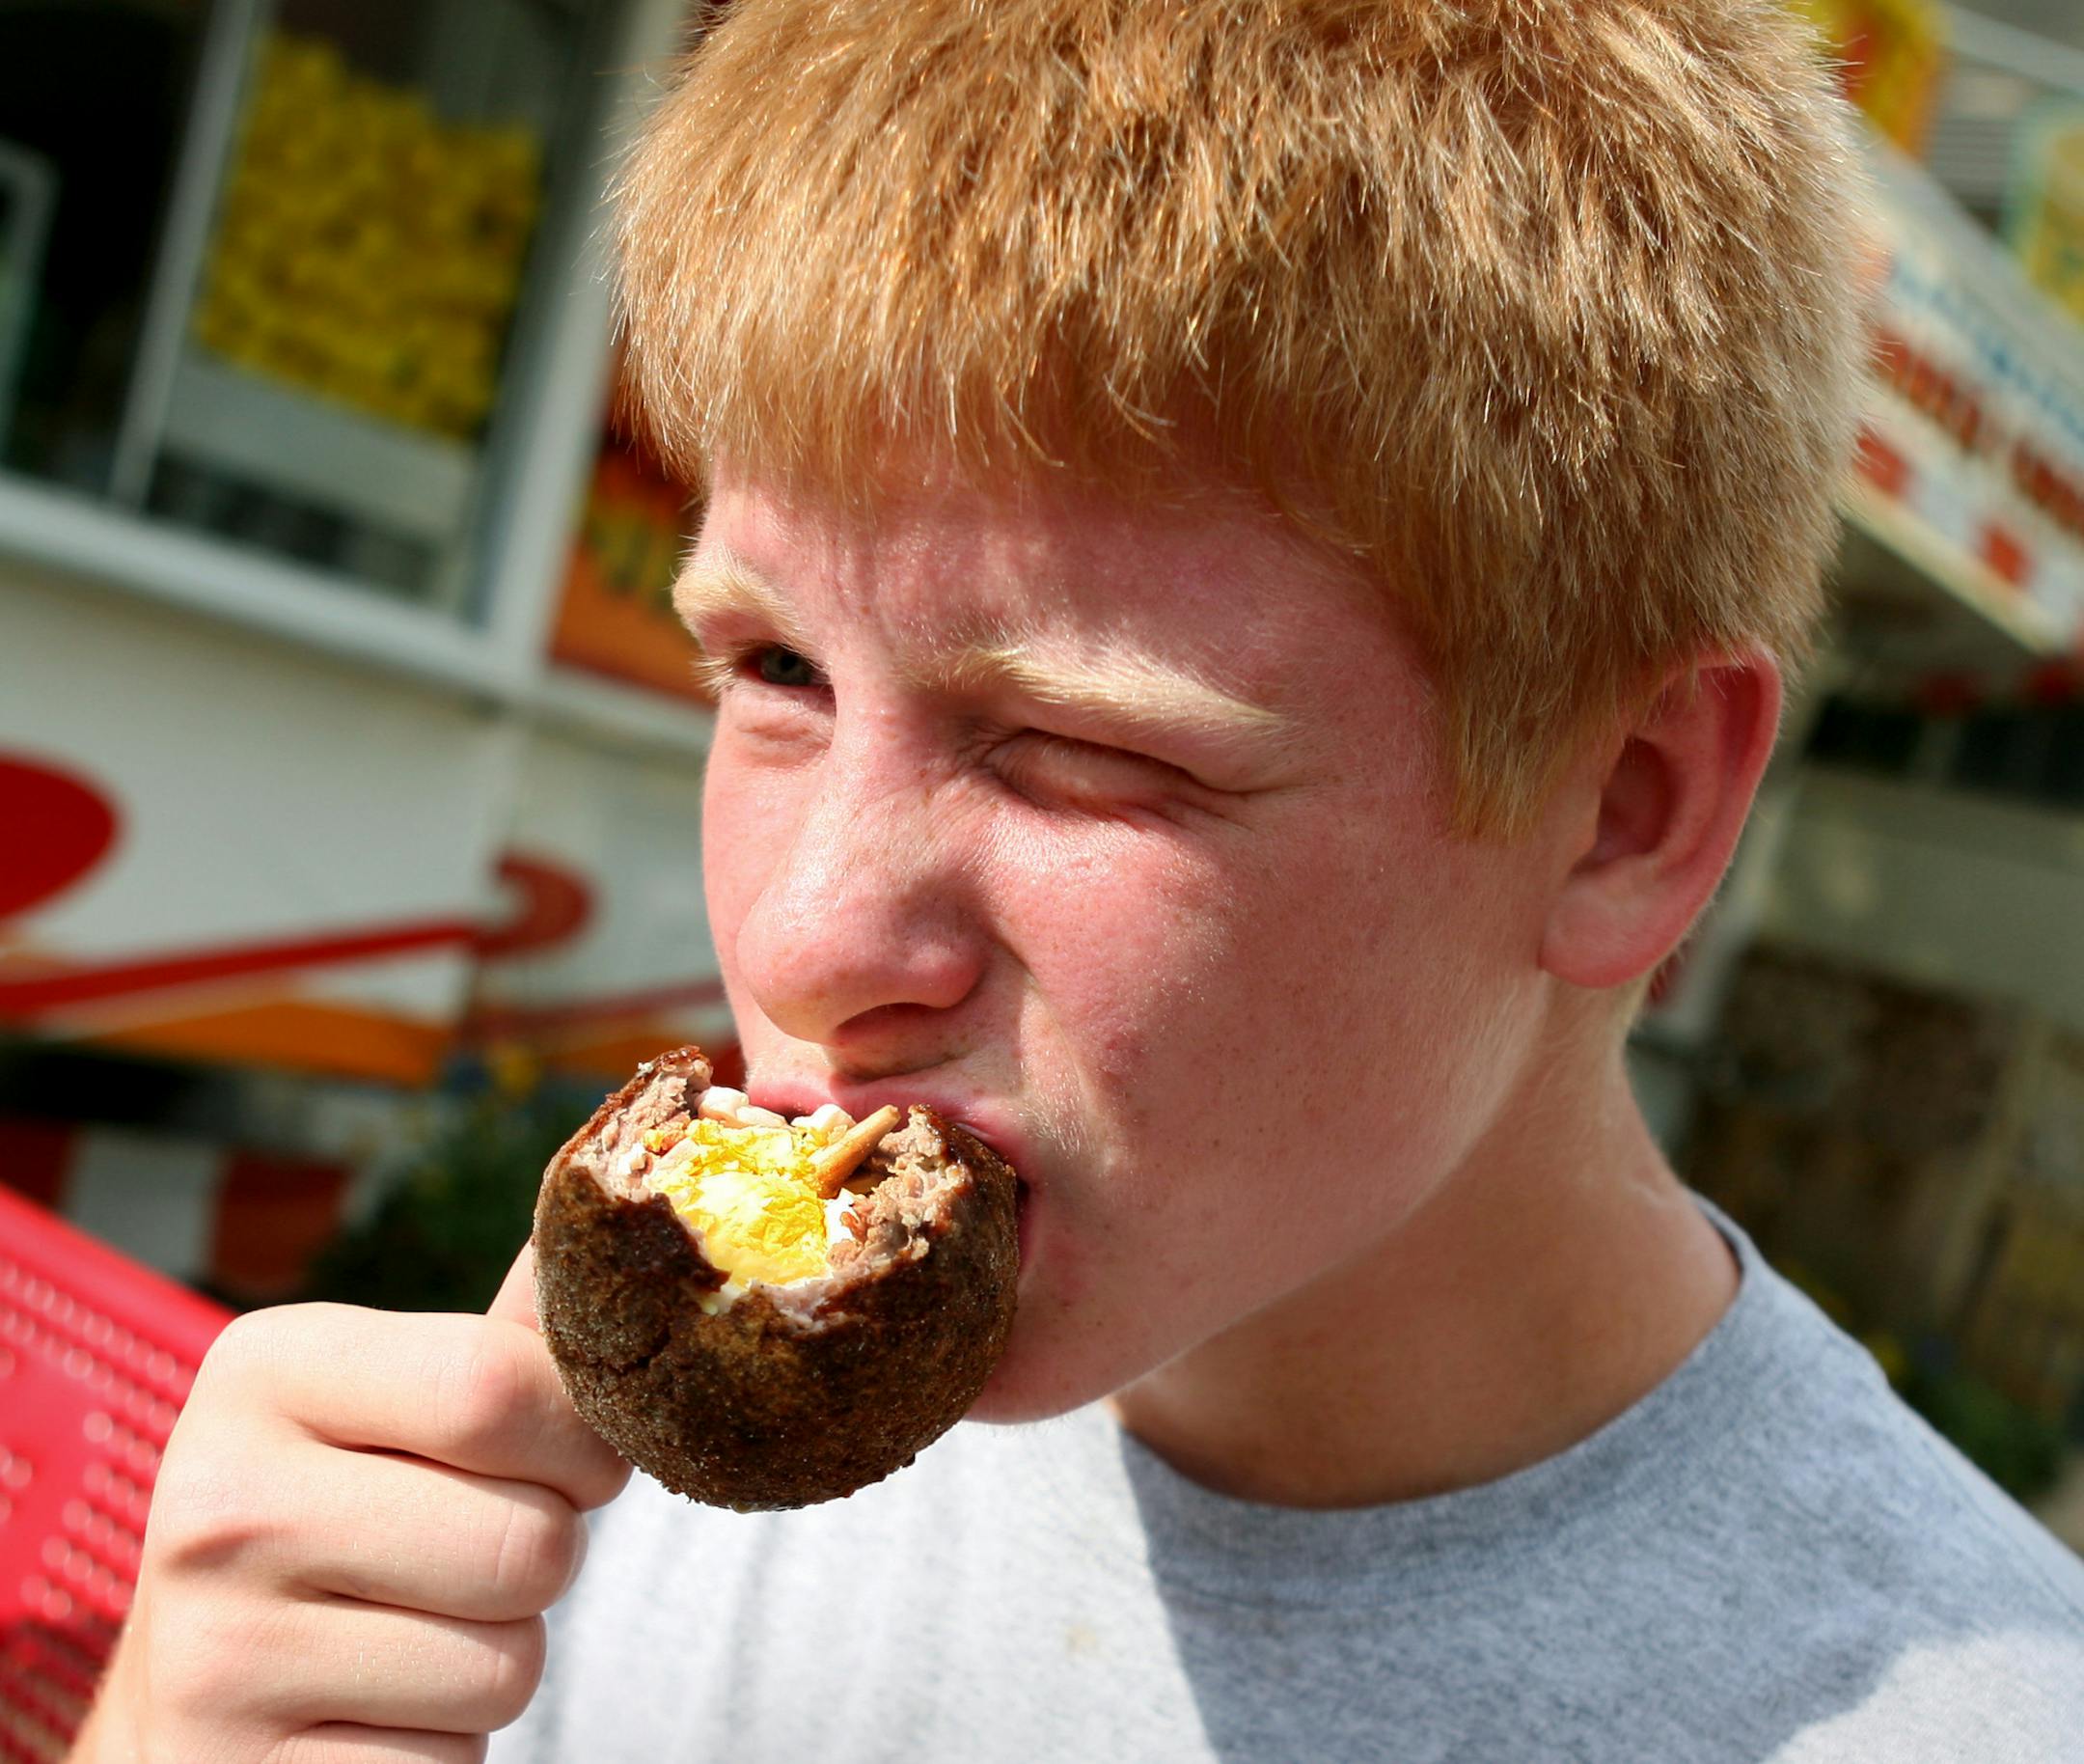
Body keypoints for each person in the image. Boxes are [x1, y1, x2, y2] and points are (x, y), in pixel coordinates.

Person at [73, 3, 2084, 1760]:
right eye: (772, 670)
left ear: (1625, 809)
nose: (803, 938)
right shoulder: (600, 1465)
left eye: (1085, 750)